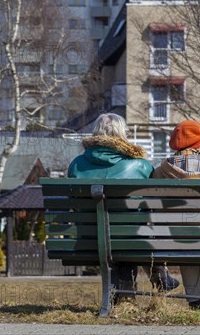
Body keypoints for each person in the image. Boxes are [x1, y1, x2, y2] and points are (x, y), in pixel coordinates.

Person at [68, 113, 180, 294]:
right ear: (123, 133)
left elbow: (73, 204)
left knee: (127, 233)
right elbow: (153, 205)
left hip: (90, 237)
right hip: (131, 237)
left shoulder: (77, 164)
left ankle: (126, 295)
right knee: (136, 231)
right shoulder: (141, 166)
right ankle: (156, 276)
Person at [153, 120, 200, 310]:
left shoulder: (161, 171)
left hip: (176, 236)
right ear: (199, 141)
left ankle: (196, 299)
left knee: (184, 235)